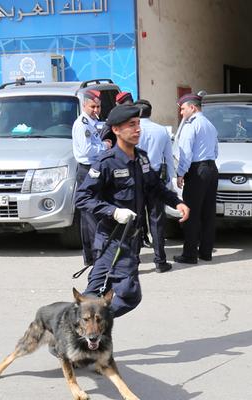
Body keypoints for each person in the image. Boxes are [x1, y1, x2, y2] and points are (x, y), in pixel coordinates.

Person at [75, 105, 190, 317]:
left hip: (132, 239)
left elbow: (155, 186)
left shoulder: (141, 158)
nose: (138, 129)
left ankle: (91, 324)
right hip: (112, 238)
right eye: (131, 125)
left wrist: (177, 202)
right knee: (119, 294)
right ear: (116, 130)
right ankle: (81, 326)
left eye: (138, 124)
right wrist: (113, 211)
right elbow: (82, 197)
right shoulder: (106, 162)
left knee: (114, 294)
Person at [174, 93, 219, 264]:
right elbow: (216, 151)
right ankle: (206, 252)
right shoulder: (210, 124)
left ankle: (190, 254)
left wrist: (181, 173)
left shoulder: (190, 125)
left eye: (183, 109)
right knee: (208, 212)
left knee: (190, 213)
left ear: (192, 108)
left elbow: (185, 153)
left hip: (197, 170)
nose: (181, 113)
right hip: (212, 168)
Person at [72, 90, 112, 268]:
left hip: (92, 169)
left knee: (88, 214)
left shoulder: (92, 122)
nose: (96, 110)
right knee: (92, 214)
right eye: (92, 106)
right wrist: (105, 146)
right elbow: (88, 150)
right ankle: (97, 258)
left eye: (98, 106)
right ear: (84, 105)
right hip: (87, 169)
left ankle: (90, 255)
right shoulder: (82, 125)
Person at [135, 99, 176, 272]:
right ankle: (160, 261)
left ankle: (134, 261)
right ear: (150, 113)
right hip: (155, 176)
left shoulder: (133, 129)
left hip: (136, 176)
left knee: (135, 219)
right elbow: (169, 157)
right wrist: (170, 180)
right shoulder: (161, 130)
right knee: (157, 220)